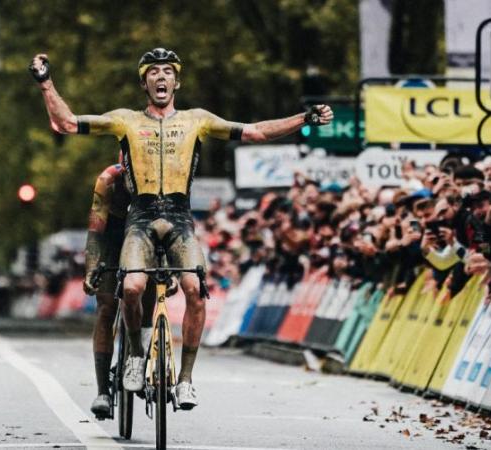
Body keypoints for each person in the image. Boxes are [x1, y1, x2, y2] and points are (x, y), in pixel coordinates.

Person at [30, 47, 333, 409]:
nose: (161, 77)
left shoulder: (197, 120)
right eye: (153, 72)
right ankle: (135, 358)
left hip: (179, 218)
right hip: (140, 219)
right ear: (144, 83)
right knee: (132, 286)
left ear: (178, 80)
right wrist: (46, 83)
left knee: (194, 289)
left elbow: (255, 133)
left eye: (168, 71)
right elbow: (66, 123)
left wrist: (305, 118)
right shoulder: (126, 121)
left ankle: (186, 379)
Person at [82, 163, 154, 418]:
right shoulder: (108, 179)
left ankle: (140, 359)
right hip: (113, 238)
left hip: (149, 239)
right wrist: (92, 267)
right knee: (106, 307)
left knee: (149, 290)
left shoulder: (159, 173)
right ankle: (103, 391)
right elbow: (95, 230)